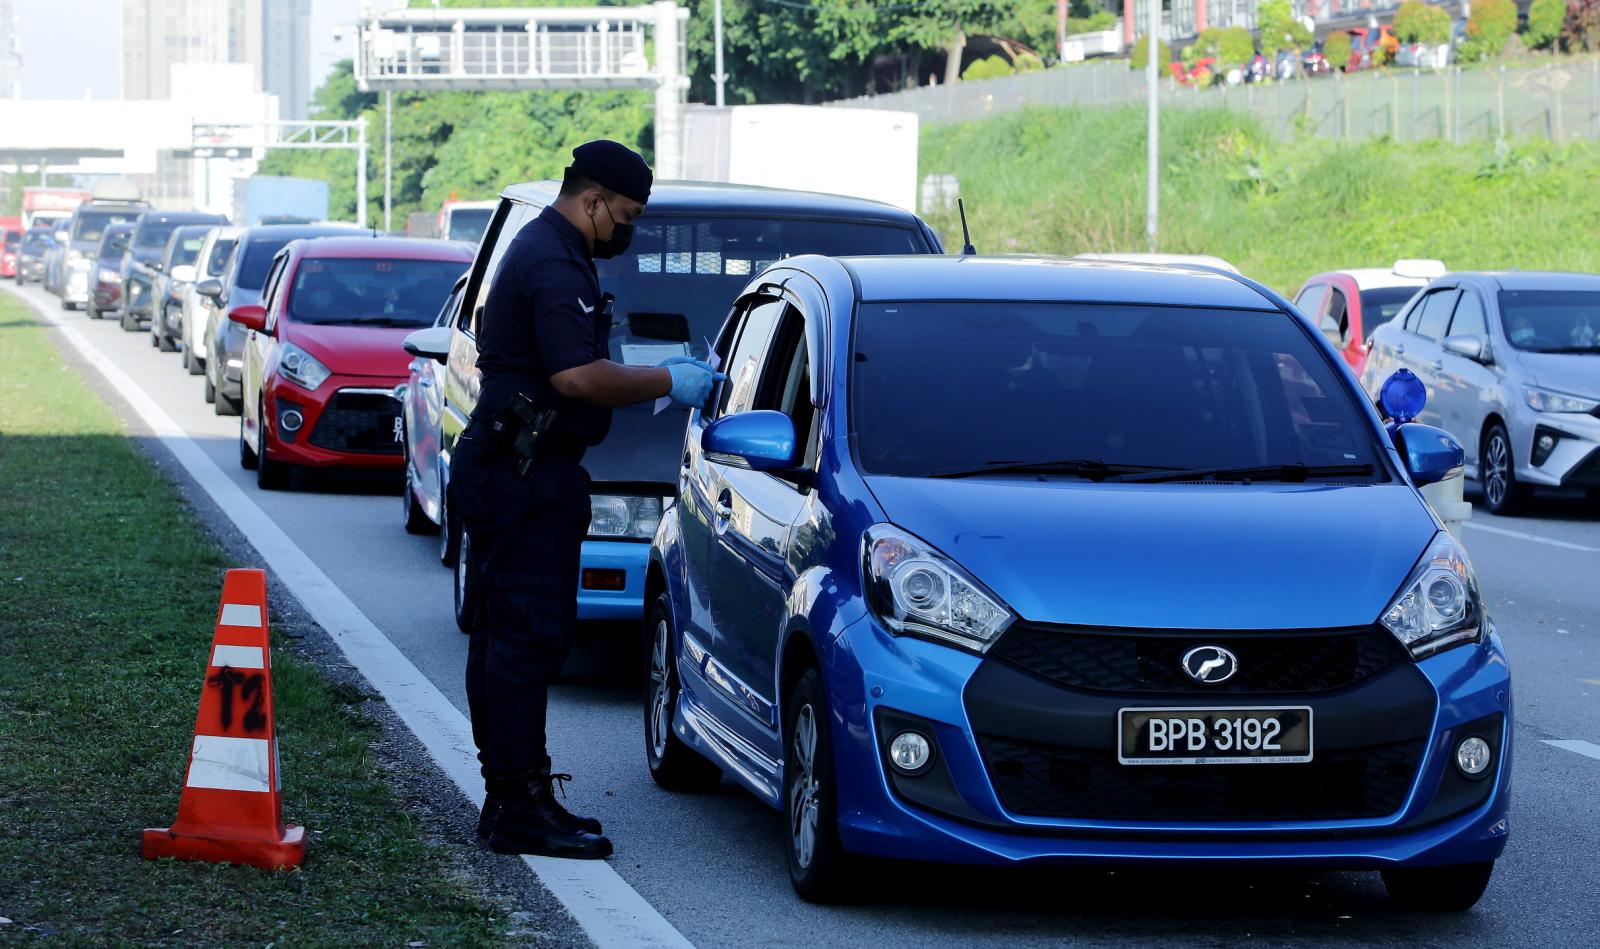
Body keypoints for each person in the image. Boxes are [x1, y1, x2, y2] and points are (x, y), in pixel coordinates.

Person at [450, 141, 722, 859]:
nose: (623, 231)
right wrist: (666, 381)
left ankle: (516, 794)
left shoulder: (556, 252)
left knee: (511, 639)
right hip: (522, 474)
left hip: (521, 468)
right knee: (521, 641)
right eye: (623, 215)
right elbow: (572, 377)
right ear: (593, 199)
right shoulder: (551, 258)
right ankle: (517, 803)